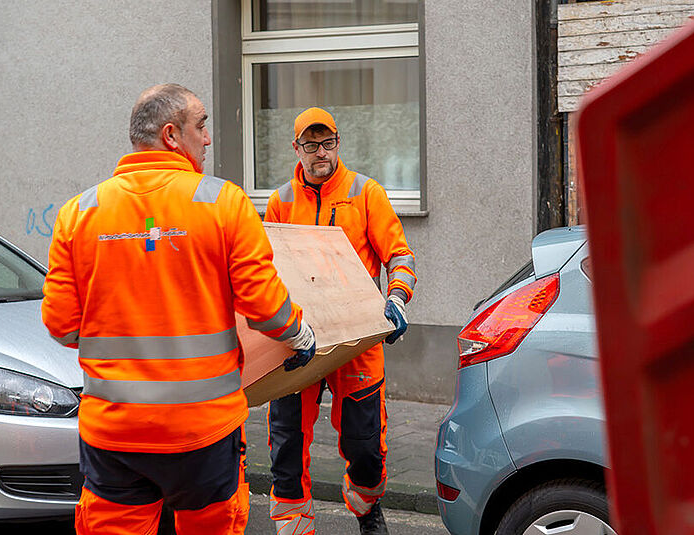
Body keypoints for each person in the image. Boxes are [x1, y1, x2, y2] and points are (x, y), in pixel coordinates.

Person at [42, 84, 317, 535]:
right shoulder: (223, 203)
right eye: (201, 125)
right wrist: (300, 334)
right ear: (171, 135)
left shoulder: (80, 213)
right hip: (202, 431)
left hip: (114, 434)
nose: (207, 138)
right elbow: (265, 308)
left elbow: (60, 325)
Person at [264, 107, 416, 535]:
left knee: (366, 446)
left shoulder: (365, 193)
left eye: (327, 143)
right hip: (299, 340)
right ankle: (294, 526)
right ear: (296, 149)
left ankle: (367, 507)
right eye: (311, 145)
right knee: (286, 445)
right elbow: (266, 269)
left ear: (337, 144)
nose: (321, 153)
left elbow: (399, 255)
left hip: (357, 340)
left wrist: (397, 299)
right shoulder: (280, 202)